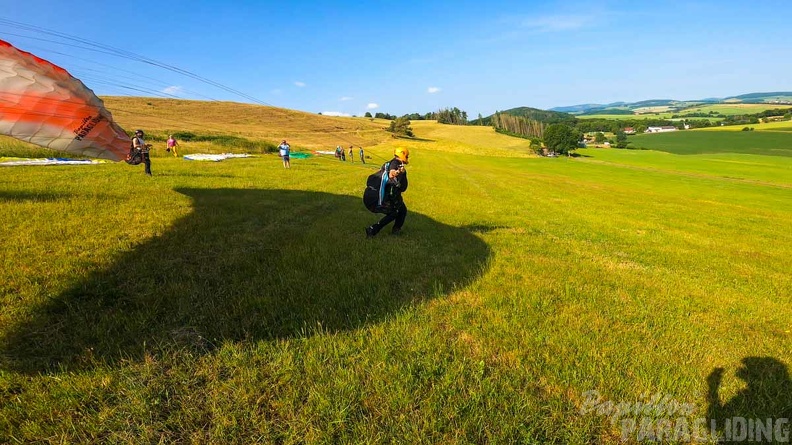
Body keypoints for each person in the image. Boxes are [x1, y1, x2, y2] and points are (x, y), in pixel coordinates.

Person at [365, 147, 409, 237]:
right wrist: (397, 172)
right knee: (394, 212)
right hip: (376, 198)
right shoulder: (396, 163)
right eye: (407, 156)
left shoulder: (392, 163)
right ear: (403, 154)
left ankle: (396, 229)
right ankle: (373, 229)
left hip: (373, 195)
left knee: (402, 209)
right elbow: (392, 173)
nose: (407, 158)